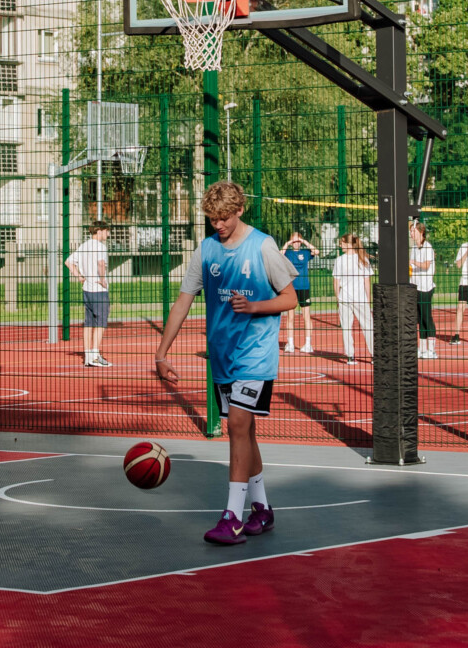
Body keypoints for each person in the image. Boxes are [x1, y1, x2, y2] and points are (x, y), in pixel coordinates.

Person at [154, 181, 297, 546]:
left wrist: (253, 307)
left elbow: (290, 298)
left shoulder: (262, 246)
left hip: (255, 354)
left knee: (235, 424)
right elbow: (184, 300)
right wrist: (162, 352)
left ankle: (232, 517)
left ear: (239, 211)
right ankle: (262, 509)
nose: (218, 224)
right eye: (212, 219)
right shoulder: (207, 250)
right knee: (244, 431)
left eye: (224, 218)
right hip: (222, 355)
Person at [65, 220, 112, 367]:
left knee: (88, 323)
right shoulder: (100, 247)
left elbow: (68, 262)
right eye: (106, 231)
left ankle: (88, 355)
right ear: (99, 231)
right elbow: (100, 263)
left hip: (87, 289)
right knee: (100, 322)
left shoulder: (83, 246)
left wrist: (79, 277)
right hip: (99, 290)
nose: (108, 234)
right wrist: (103, 279)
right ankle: (95, 355)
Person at [332, 233, 374, 364]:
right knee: (368, 326)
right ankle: (374, 355)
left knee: (346, 327)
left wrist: (338, 298)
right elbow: (367, 282)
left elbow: (336, 282)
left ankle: (350, 355)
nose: (340, 245)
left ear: (349, 244)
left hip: (345, 298)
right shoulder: (362, 259)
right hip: (359, 298)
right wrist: (368, 299)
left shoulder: (341, 260)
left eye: (342, 243)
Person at [281, 231, 319, 354]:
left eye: (298, 241)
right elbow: (279, 254)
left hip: (304, 287)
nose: (296, 243)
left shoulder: (305, 252)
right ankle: (290, 343)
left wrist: (304, 242)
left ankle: (308, 344)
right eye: (294, 241)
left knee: (306, 316)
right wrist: (288, 243)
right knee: (290, 317)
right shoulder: (288, 253)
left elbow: (316, 251)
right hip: (291, 287)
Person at [409, 221, 437, 359]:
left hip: (425, 287)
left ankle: (432, 350)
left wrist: (413, 263)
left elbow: (426, 266)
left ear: (420, 232)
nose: (411, 234)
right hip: (416, 286)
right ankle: (422, 348)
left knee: (427, 317)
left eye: (413, 231)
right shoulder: (414, 247)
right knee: (419, 318)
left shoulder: (428, 247)